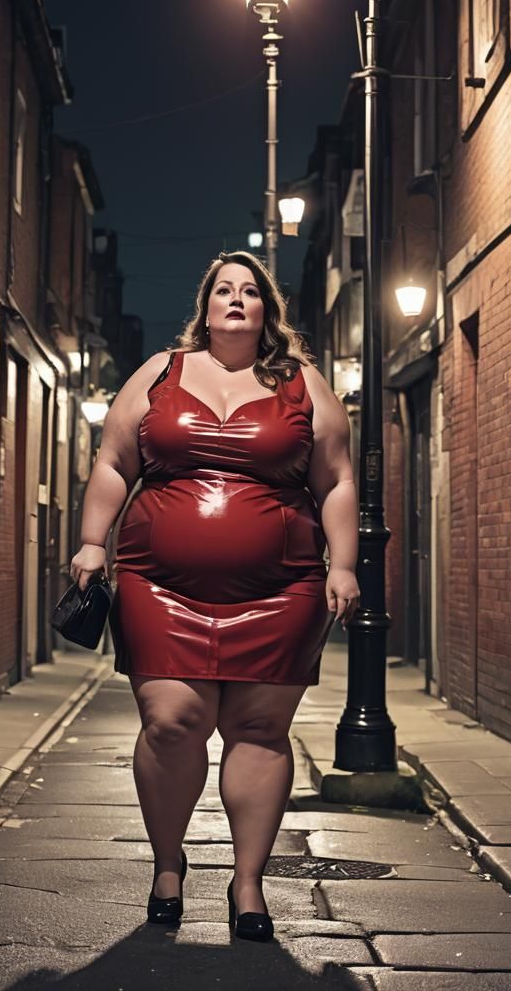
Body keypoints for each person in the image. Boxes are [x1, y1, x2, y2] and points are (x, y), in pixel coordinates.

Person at [69, 250, 360, 942]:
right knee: (171, 721)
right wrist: (90, 540)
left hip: (280, 588)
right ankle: (169, 866)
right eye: (223, 289)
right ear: (204, 306)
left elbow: (338, 479)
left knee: (260, 730)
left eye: (249, 291)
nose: (236, 299)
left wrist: (342, 565)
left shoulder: (304, 384)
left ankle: (249, 881)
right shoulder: (161, 373)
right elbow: (113, 460)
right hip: (159, 583)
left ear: (267, 310)